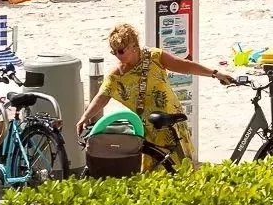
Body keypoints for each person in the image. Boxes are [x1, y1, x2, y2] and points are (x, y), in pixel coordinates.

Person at [77, 23, 235, 168]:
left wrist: (215, 73)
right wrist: (85, 116)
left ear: (133, 46)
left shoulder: (154, 56)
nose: (117, 56)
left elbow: (184, 66)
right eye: (114, 52)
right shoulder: (117, 73)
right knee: (153, 172)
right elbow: (103, 96)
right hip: (147, 127)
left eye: (120, 51)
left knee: (181, 167)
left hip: (170, 121)